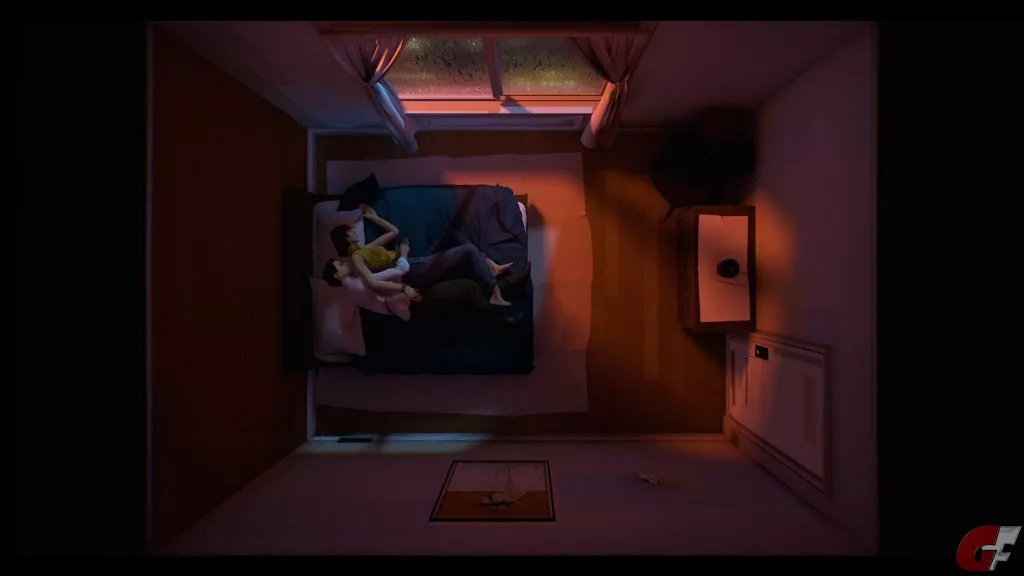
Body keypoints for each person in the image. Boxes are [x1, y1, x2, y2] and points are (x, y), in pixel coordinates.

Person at [329, 204, 515, 306]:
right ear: (346, 237)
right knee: (468, 250)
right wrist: (403, 288)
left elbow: (393, 231)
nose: (354, 231)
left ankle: (490, 265)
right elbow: (372, 282)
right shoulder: (356, 259)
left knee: (452, 234)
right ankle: (493, 290)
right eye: (351, 231)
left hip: (413, 261)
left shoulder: (362, 251)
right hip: (413, 271)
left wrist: (375, 218)